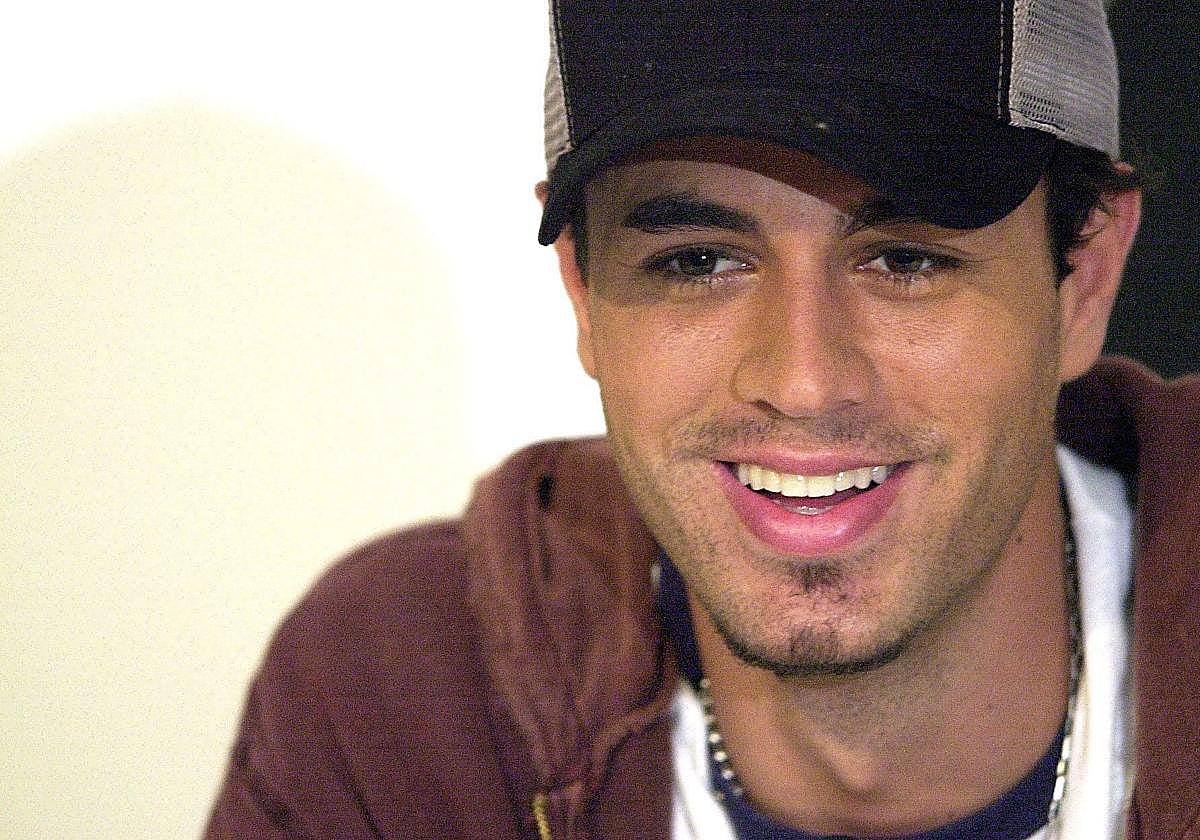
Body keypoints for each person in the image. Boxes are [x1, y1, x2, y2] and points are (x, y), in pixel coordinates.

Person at [204, 2, 1200, 839]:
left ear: (1085, 278)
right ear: (582, 293)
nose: (803, 381)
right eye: (697, 262)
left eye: (906, 260)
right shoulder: (393, 702)